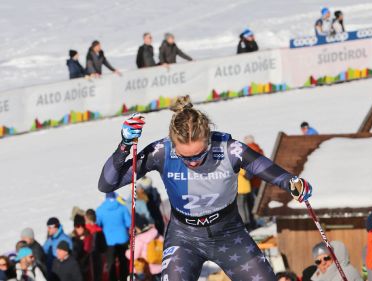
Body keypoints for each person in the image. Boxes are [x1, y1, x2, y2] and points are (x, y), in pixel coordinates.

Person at [97, 95, 313, 281]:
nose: (192, 163)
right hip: (184, 237)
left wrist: (293, 183)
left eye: (199, 155)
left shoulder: (229, 149)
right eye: (184, 157)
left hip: (229, 234)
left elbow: (268, 169)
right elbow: (107, 183)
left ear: (209, 140)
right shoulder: (162, 152)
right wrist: (125, 145)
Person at [96, 192, 131, 281]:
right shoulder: (122, 207)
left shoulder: (100, 210)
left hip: (108, 241)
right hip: (123, 239)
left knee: (111, 263)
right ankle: (124, 278)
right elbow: (129, 223)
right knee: (123, 261)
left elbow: (98, 225)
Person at [125, 216, 163, 280]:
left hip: (148, 270)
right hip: (160, 266)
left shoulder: (139, 239)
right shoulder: (156, 234)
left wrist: (127, 252)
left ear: (138, 228)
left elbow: (133, 255)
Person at [85, 209, 107, 281]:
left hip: (86, 258)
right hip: (98, 258)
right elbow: (103, 248)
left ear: (86, 218)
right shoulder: (99, 230)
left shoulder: (84, 229)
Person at [71, 215, 92, 281]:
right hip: (77, 268)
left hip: (87, 267)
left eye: (79, 226)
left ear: (83, 226)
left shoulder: (89, 237)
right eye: (76, 226)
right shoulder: (72, 238)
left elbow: (89, 251)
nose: (78, 228)